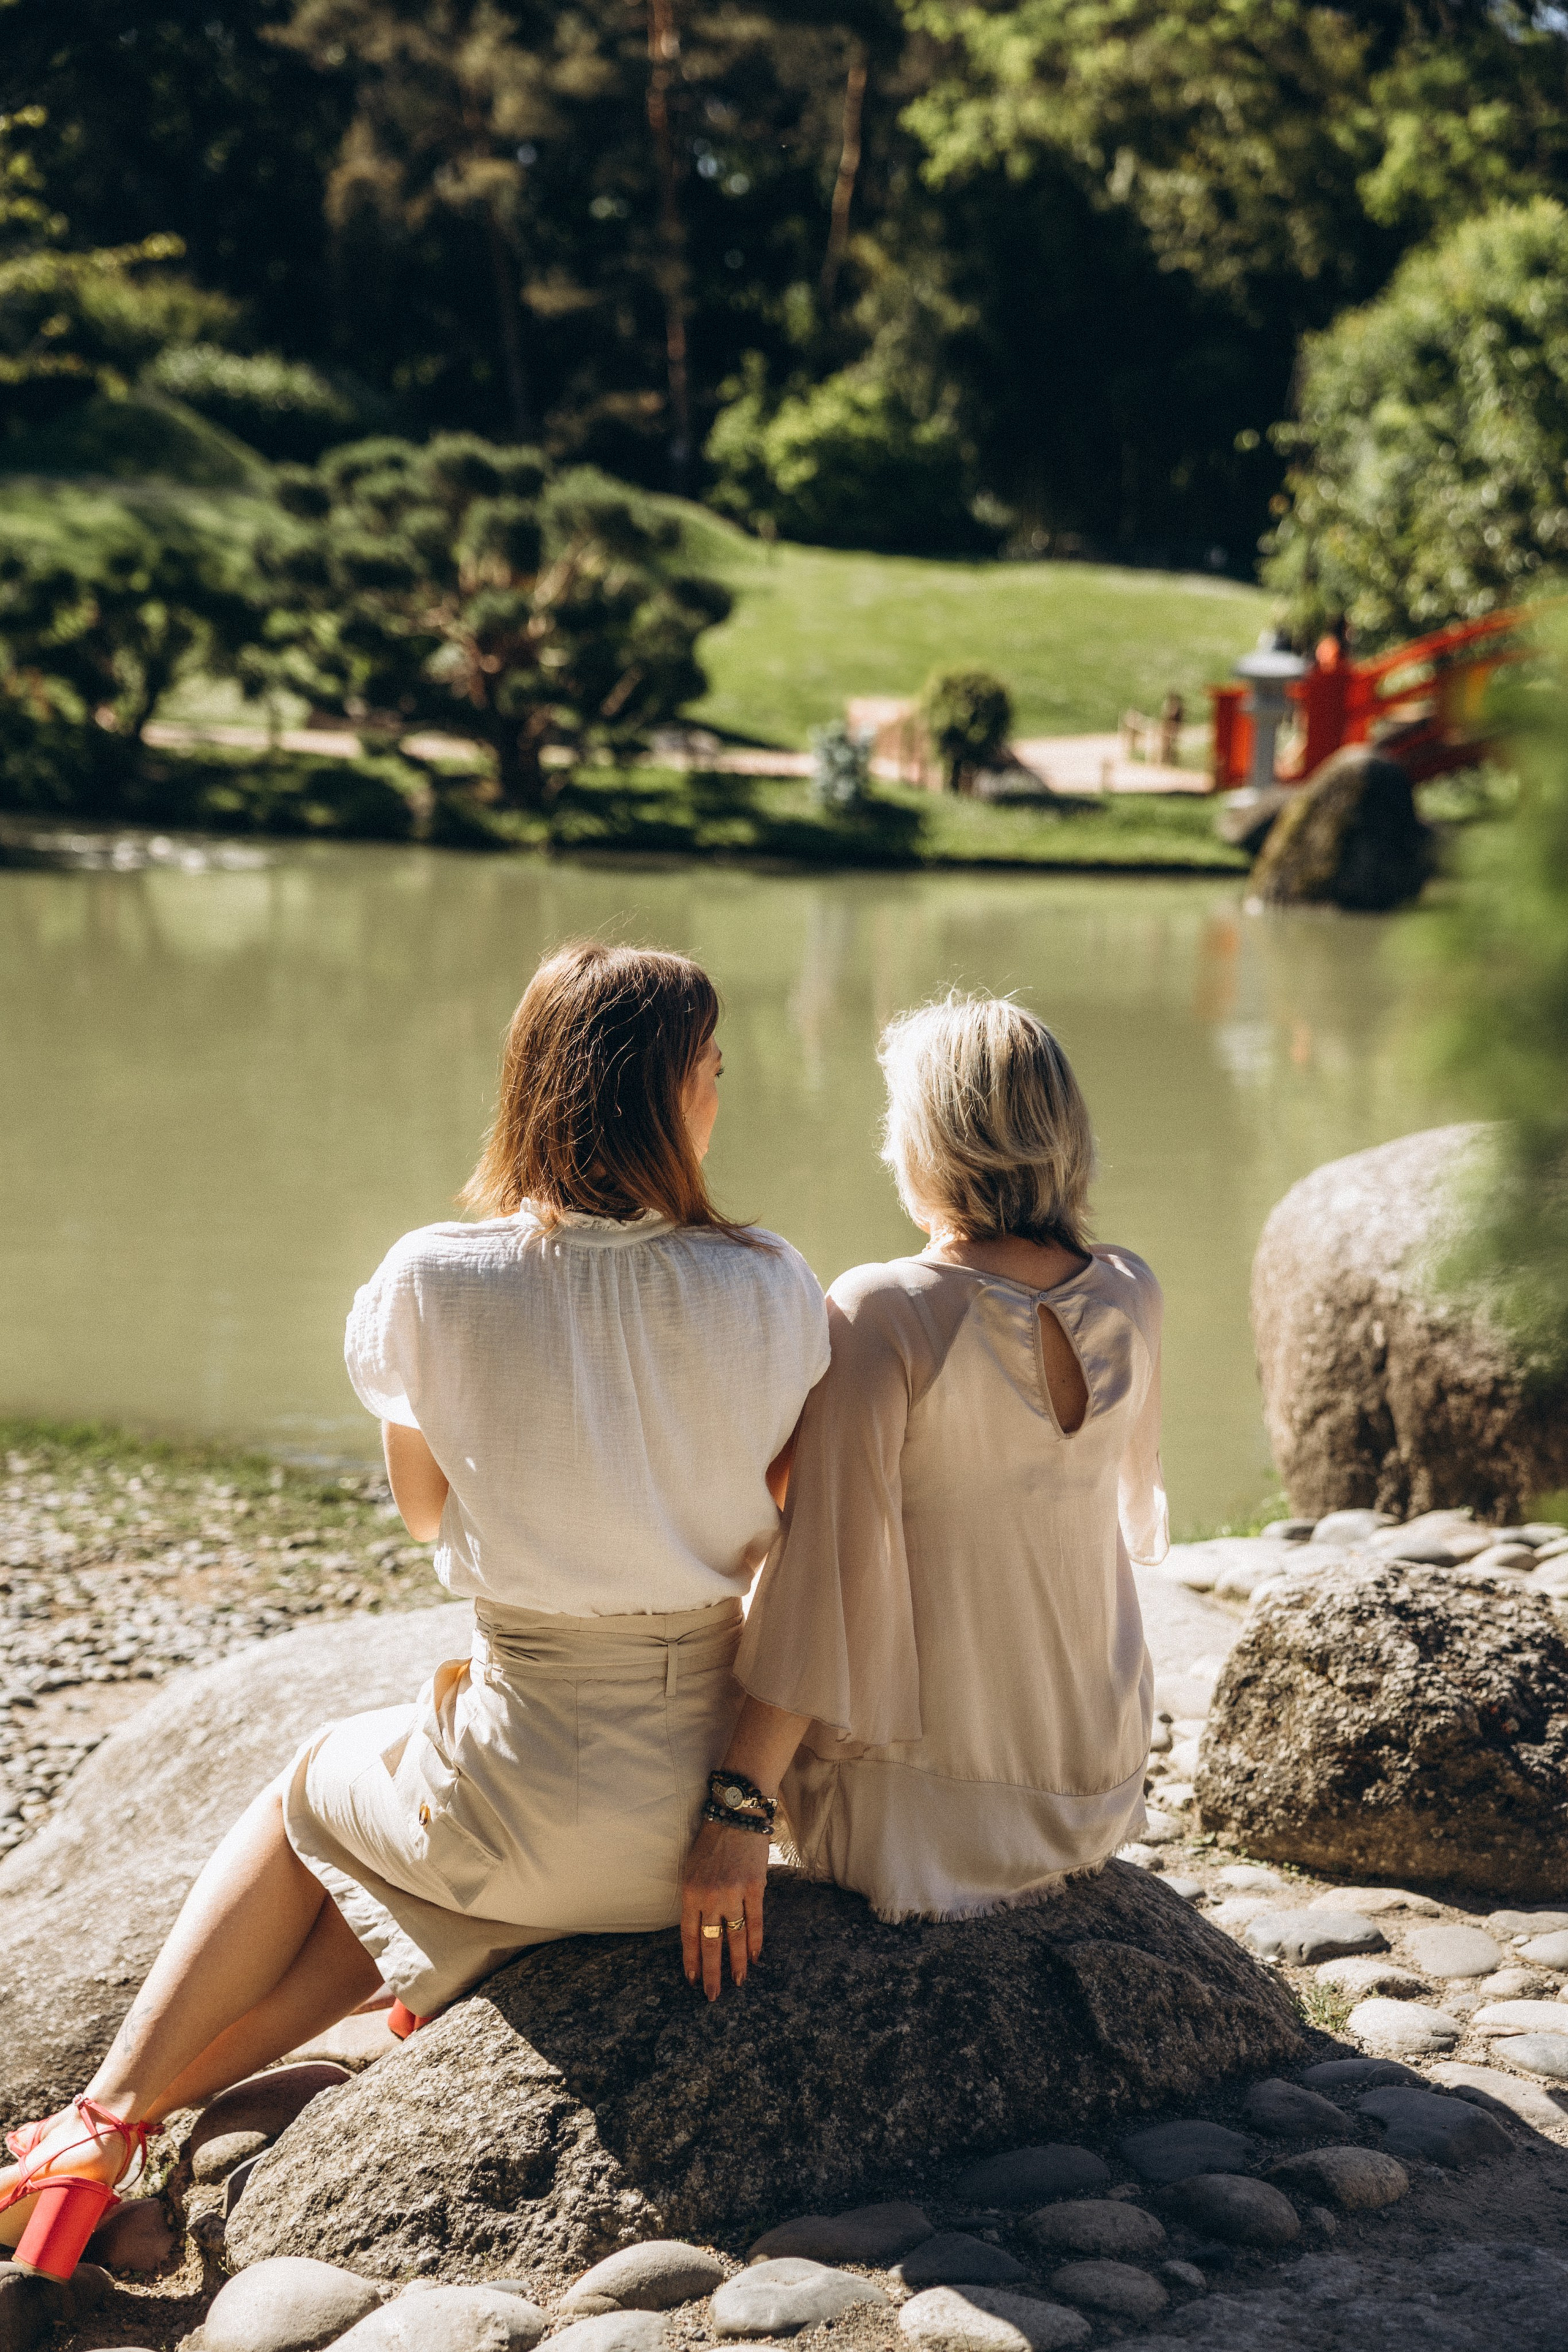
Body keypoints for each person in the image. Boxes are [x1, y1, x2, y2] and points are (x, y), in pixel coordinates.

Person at [1, 942, 828, 2278]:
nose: (720, 1094)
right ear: (670, 1094)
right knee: (372, 1904)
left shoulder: (436, 1278)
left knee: (305, 1793)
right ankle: (128, 2138)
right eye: (713, 1071)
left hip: (517, 1791)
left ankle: (97, 2126)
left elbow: (428, 1513)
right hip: (697, 1837)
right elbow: (781, 1526)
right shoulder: (775, 1285)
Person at [682, 992, 1165, 1999]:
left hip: (932, 1823)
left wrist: (738, 1810)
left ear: (935, 1139)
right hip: (1098, 1782)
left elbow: (821, 1576)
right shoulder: (1129, 1289)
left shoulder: (885, 1309)